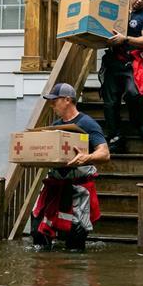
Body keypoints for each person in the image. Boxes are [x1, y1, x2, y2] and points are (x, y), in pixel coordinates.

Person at [30, 82, 110, 251]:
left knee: (75, 242)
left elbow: (104, 153)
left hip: (78, 188)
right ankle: (43, 272)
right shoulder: (56, 127)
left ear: (67, 100)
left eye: (55, 100)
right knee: (38, 232)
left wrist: (86, 157)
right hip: (55, 186)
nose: (52, 105)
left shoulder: (87, 124)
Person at [101, 0, 143, 154]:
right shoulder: (114, 11)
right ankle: (115, 135)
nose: (139, 1)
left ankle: (139, 123)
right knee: (110, 102)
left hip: (131, 63)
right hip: (111, 62)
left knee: (134, 93)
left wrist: (125, 39)